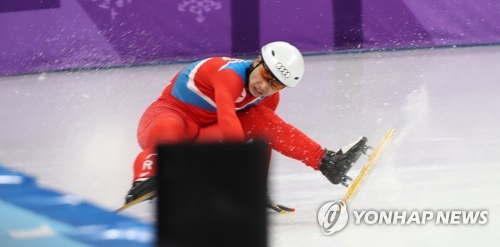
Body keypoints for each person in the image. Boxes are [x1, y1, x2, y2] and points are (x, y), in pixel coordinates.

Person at [126, 41, 366, 211]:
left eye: (276, 85)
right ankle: (145, 180)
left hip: (205, 133)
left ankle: (327, 162)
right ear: (258, 61)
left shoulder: (268, 96)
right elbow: (228, 118)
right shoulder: (228, 75)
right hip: (167, 116)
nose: (264, 86)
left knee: (262, 119)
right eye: (265, 75)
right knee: (170, 134)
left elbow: (264, 140)